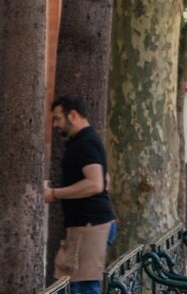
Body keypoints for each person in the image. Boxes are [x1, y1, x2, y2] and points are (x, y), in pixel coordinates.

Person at [44, 96, 116, 294]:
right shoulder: (85, 141)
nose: (56, 124)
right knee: (74, 280)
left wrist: (55, 193)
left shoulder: (85, 143)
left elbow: (95, 184)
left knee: (83, 285)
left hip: (90, 225)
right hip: (88, 224)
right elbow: (105, 178)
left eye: (58, 119)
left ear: (73, 115)